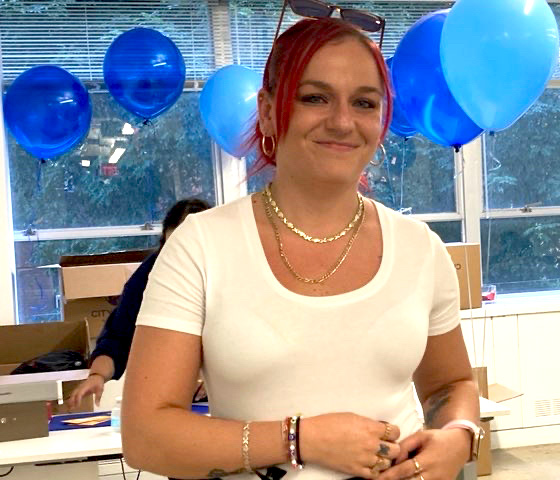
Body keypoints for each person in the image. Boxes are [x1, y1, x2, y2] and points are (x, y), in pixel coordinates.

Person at [121, 13, 481, 480]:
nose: (343, 121)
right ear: (268, 110)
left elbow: (450, 385)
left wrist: (460, 434)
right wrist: (300, 438)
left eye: (365, 103)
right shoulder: (201, 246)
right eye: (315, 98)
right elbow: (147, 437)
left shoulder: (421, 249)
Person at [67, 198, 211, 410]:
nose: (181, 259)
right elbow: (118, 336)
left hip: (224, 399)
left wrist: (218, 381)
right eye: (173, 249)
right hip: (168, 398)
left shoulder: (229, 274)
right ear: (164, 241)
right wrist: (97, 375)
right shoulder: (149, 275)